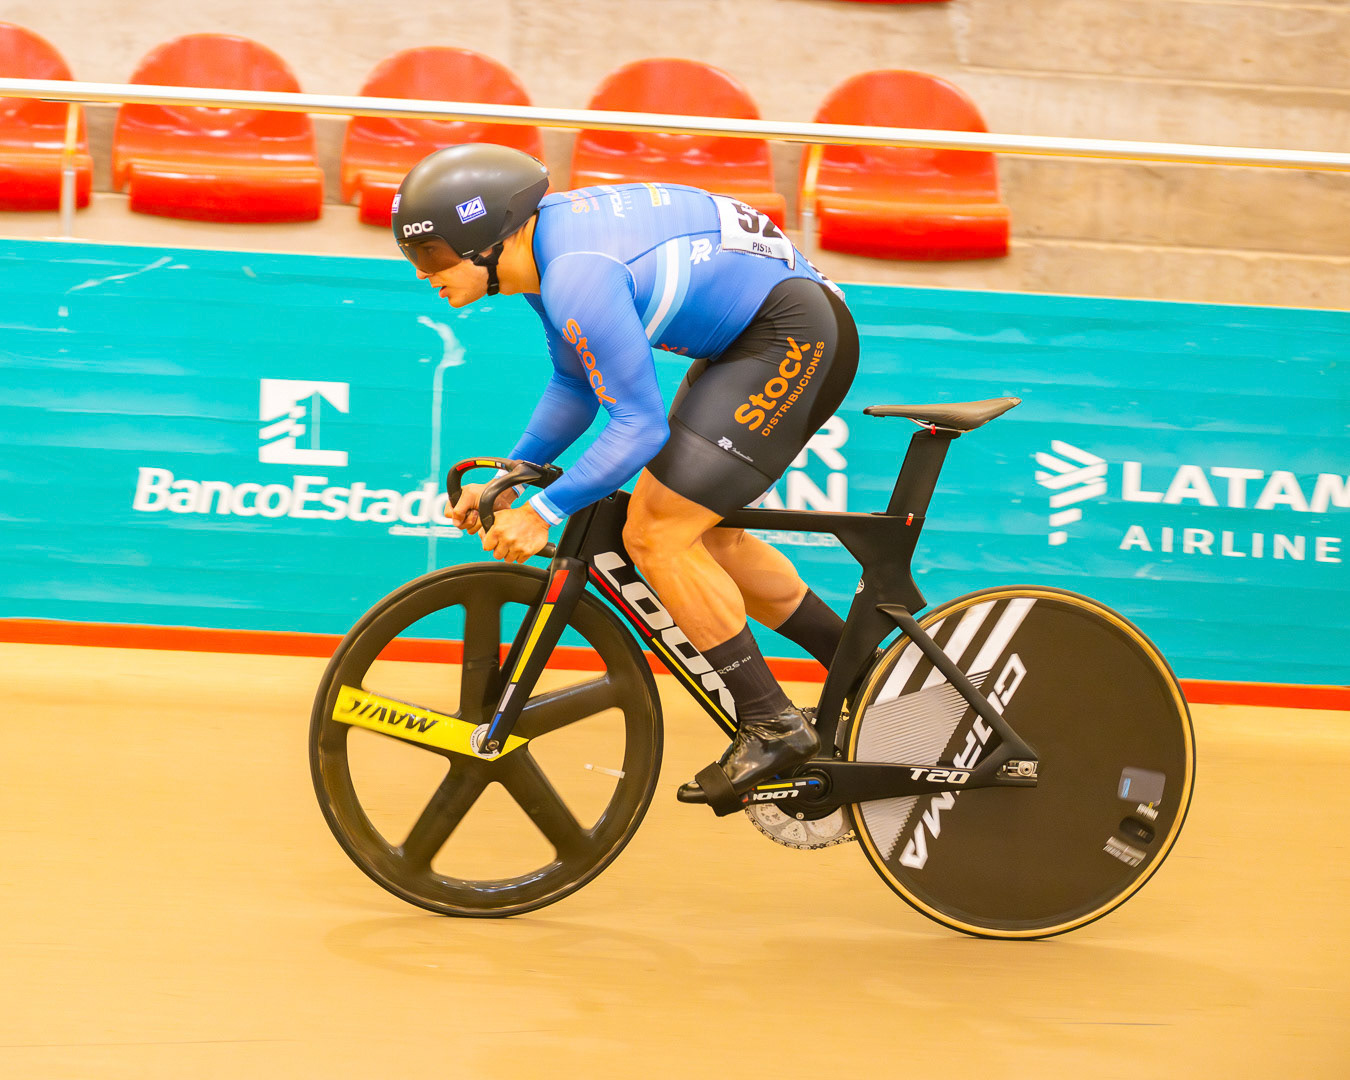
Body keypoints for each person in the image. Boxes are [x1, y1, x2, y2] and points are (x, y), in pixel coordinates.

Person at [392, 144, 859, 806]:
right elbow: (574, 384)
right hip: (755, 336)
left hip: (789, 336)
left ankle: (773, 724)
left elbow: (639, 426)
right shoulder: (546, 259)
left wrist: (544, 512)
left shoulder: (577, 273)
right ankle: (867, 667)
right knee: (706, 537)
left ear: (488, 236)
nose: (423, 275)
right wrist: (516, 475)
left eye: (432, 256)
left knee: (657, 534)